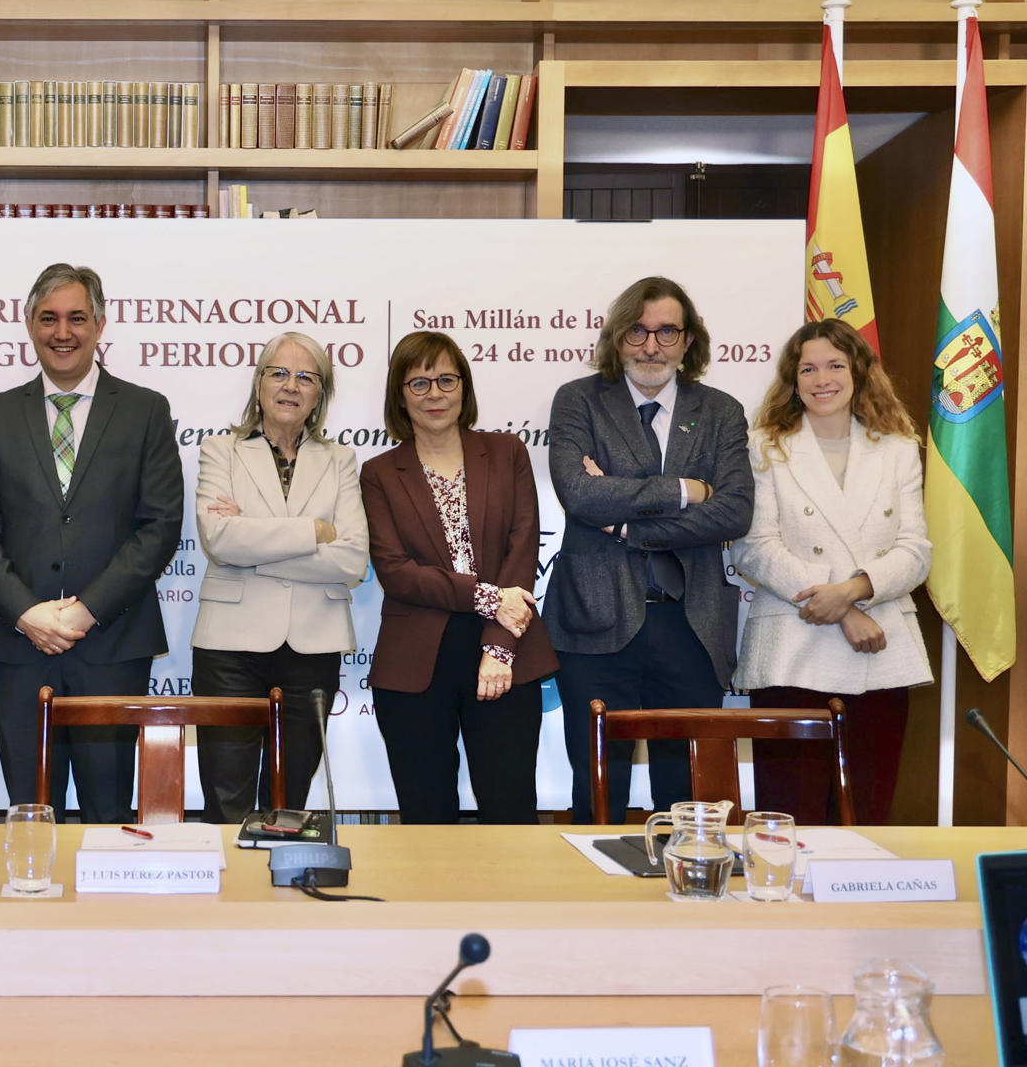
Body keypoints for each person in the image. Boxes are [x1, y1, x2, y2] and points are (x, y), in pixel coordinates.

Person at [0, 263, 183, 823]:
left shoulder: (145, 410)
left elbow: (158, 526)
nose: (64, 332)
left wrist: (85, 611)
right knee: (31, 813)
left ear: (101, 324)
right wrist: (28, 612)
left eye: (77, 318)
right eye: (49, 318)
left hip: (112, 642)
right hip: (18, 647)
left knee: (109, 811)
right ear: (29, 325)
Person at [543, 277, 754, 824]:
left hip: (691, 622)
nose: (651, 346)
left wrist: (627, 527)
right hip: (595, 621)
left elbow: (734, 513)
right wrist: (685, 491)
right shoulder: (578, 400)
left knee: (690, 801)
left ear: (689, 342)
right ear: (617, 337)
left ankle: (688, 904)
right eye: (637, 330)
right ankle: (593, 903)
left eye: (667, 332)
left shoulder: (721, 412)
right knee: (597, 793)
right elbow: (580, 494)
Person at [733, 319, 931, 825]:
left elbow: (915, 550)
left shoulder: (899, 447)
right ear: (792, 380)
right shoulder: (764, 447)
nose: (823, 379)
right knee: (786, 822)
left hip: (881, 651)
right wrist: (843, 612)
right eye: (808, 369)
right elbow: (755, 549)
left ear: (859, 371)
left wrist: (853, 593)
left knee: (866, 816)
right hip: (792, 652)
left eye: (835, 366)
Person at [360, 331, 556, 824]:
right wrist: (489, 598)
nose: (435, 394)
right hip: (416, 662)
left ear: (464, 388)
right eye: (419, 383)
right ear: (399, 395)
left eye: (446, 379)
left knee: (510, 811)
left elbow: (522, 543)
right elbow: (396, 571)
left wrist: (498, 647)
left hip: (507, 651)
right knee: (427, 817)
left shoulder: (508, 452)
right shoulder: (380, 472)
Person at [190, 332, 366, 823]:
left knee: (287, 806)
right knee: (227, 801)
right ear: (260, 383)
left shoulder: (340, 460)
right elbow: (220, 540)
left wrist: (253, 544)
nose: (291, 385)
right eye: (279, 373)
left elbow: (352, 560)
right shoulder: (220, 450)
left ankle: (280, 895)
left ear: (320, 394)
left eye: (306, 377)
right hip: (229, 649)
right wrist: (315, 530)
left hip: (313, 648)